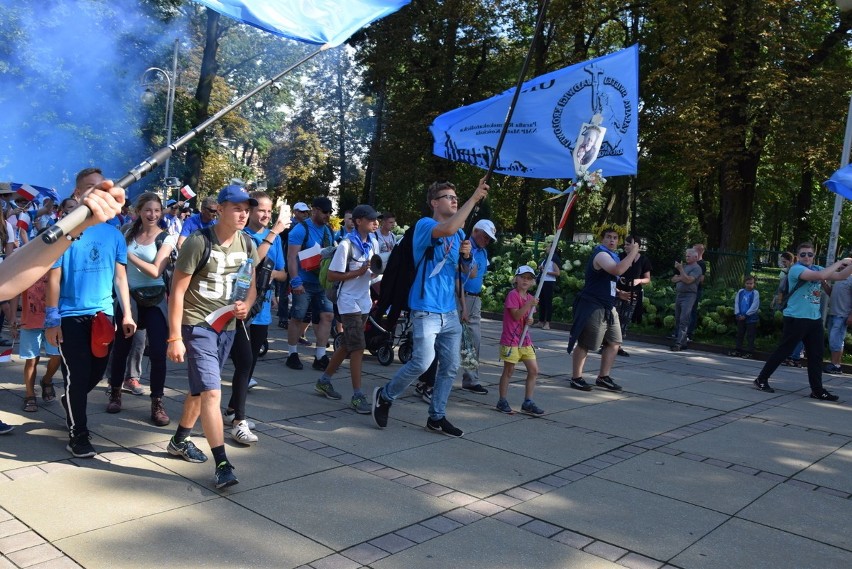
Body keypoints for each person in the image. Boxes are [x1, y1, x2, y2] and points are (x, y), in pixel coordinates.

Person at [372, 178, 488, 437]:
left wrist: (467, 257)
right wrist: (474, 198)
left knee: (450, 366)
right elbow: (445, 231)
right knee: (422, 362)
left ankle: (437, 416)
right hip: (425, 308)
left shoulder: (459, 233)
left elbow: (465, 273)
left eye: (456, 196)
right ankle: (386, 395)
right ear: (435, 203)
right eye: (448, 197)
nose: (454, 200)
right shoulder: (425, 225)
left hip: (449, 312)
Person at [166, 184, 259, 489]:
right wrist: (174, 337)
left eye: (247, 209)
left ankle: (180, 440)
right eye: (237, 208)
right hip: (197, 326)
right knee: (212, 393)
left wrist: (247, 304)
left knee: (200, 390)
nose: (243, 214)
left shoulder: (248, 245)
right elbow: (177, 292)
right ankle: (222, 464)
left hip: (227, 328)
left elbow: (251, 285)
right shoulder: (198, 241)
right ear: (220, 209)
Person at [45, 167, 136, 458]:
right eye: (89, 187)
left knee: (95, 373)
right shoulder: (63, 232)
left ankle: (71, 400)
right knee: (78, 374)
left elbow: (120, 277)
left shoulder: (114, 234)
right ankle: (78, 435)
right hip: (70, 316)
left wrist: (127, 314)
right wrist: (52, 319)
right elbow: (54, 279)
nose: (96, 192)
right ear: (77, 193)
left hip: (103, 315)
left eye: (102, 187)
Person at [223, 190, 288, 443]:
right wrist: (274, 233)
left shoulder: (277, 240)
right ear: (249, 211)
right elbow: (252, 261)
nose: (266, 215)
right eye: (261, 210)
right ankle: (238, 419)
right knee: (243, 361)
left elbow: (283, 273)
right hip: (239, 307)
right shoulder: (241, 235)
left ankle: (232, 410)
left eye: (269, 211)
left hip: (260, 311)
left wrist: (269, 276)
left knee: (247, 365)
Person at [106, 192, 175, 426]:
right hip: (129, 297)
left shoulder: (166, 237)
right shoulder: (126, 232)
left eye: (157, 210)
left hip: (155, 299)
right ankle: (115, 390)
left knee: (157, 353)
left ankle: (157, 402)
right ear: (138, 211)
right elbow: (118, 268)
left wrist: (127, 254)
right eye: (148, 210)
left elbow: (156, 271)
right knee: (121, 347)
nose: (153, 215)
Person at [753, 243, 852, 400]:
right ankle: (761, 379)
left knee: (816, 355)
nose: (807, 257)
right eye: (803, 254)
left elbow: (841, 276)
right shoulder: (797, 269)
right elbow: (821, 277)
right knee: (784, 350)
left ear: (814, 256)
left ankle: (817, 390)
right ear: (798, 256)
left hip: (814, 319)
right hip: (796, 318)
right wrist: (840, 262)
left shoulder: (817, 268)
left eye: (810, 254)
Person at [0, 180, 125, 302]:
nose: (3, 201)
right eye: (2, 196)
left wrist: (78, 221)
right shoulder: (13, 214)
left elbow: (6, 281)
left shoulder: (24, 215)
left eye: (6, 196)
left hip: (25, 256)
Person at [316, 204, 379, 413]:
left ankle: (324, 380)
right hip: (348, 301)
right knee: (358, 347)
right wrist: (359, 272)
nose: (375, 223)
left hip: (364, 301)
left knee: (349, 345)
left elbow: (374, 275)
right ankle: (358, 395)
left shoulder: (373, 243)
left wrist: (374, 276)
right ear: (359, 221)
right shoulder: (346, 245)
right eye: (371, 219)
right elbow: (333, 275)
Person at [567, 228, 639, 392]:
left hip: (608, 305)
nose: (612, 240)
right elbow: (618, 270)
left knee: (614, 342)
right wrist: (633, 252)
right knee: (585, 343)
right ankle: (576, 378)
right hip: (593, 305)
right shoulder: (601, 255)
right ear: (602, 239)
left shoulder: (612, 256)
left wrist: (618, 293)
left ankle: (603, 377)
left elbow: (608, 280)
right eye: (608, 237)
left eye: (615, 238)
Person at [286, 196, 335, 371]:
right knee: (298, 317)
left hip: (323, 283)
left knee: (327, 316)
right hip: (304, 282)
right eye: (324, 212)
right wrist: (295, 281)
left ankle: (320, 356)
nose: (328, 215)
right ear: (314, 210)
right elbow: (292, 257)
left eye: (330, 212)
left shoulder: (329, 231)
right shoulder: (300, 230)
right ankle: (292, 354)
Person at [11, 266, 61, 412]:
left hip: (53, 321)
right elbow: (15, 292)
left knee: (56, 356)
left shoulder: (56, 264)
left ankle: (46, 380)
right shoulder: (27, 266)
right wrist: (13, 316)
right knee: (31, 359)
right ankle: (30, 394)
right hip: (30, 320)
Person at [495, 265, 543, 415]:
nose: (525, 281)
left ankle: (528, 401)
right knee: (509, 370)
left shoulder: (530, 298)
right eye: (523, 277)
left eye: (529, 278)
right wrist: (529, 305)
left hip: (525, 339)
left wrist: (531, 320)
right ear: (516, 279)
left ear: (532, 282)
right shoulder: (513, 295)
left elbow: (528, 318)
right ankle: (502, 400)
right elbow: (516, 315)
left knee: (534, 370)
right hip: (511, 339)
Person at [459, 218, 496, 394]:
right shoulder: (465, 247)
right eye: (485, 236)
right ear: (475, 231)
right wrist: (463, 304)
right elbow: (461, 276)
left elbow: (479, 275)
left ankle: (471, 379)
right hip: (460, 297)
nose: (487, 240)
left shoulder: (483, 251)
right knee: (453, 340)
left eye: (490, 238)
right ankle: (431, 378)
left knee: (473, 341)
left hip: (474, 299)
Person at [614, 235, 651, 356]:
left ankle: (618, 345)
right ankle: (607, 344)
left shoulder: (644, 260)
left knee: (625, 319)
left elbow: (647, 279)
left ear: (637, 246)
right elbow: (615, 272)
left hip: (633, 293)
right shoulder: (620, 257)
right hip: (619, 291)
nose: (625, 246)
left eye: (628, 244)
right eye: (624, 244)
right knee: (615, 318)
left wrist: (638, 281)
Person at [277, 202, 311, 328]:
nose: (305, 214)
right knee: (285, 291)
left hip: (302, 263)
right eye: (302, 211)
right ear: (295, 212)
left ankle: (295, 316)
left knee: (299, 291)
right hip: (288, 262)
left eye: (306, 212)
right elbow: (283, 236)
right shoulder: (288, 224)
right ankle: (283, 317)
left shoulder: (308, 225)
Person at [670, 248, 703, 352]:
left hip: (689, 295)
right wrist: (682, 276)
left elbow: (689, 280)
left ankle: (678, 343)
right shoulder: (685, 266)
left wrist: (681, 272)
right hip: (680, 294)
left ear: (695, 257)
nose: (686, 257)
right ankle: (683, 343)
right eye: (686, 255)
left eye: (689, 256)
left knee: (684, 318)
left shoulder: (697, 268)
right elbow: (674, 279)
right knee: (678, 318)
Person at [823, 273, 852, 375]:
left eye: (845, 265)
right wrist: (824, 284)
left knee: (836, 340)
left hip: (842, 315)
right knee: (835, 339)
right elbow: (832, 294)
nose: (841, 266)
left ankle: (836, 365)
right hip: (833, 313)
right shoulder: (839, 278)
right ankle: (835, 364)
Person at [727, 275, 760, 358]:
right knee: (740, 334)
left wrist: (746, 315)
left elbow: (754, 305)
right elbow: (736, 302)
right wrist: (738, 313)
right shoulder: (741, 291)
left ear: (754, 284)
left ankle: (750, 351)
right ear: (744, 283)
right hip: (740, 316)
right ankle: (738, 349)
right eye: (747, 283)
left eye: (751, 283)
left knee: (750, 335)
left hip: (751, 318)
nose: (749, 285)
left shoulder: (755, 293)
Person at [686, 243, 707, 341]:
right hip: (687, 290)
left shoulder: (701, 264)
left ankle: (689, 333)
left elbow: (701, 279)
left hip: (695, 290)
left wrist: (690, 278)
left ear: (698, 252)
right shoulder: (691, 263)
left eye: (693, 250)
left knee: (692, 312)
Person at [536, 247, 561, 330]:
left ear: (552, 248)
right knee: (541, 302)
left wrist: (545, 271)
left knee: (548, 302)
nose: (546, 248)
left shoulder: (554, 259)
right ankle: (541, 321)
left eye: (548, 247)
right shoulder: (547, 258)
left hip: (549, 282)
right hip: (542, 281)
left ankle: (547, 323)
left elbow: (557, 273)